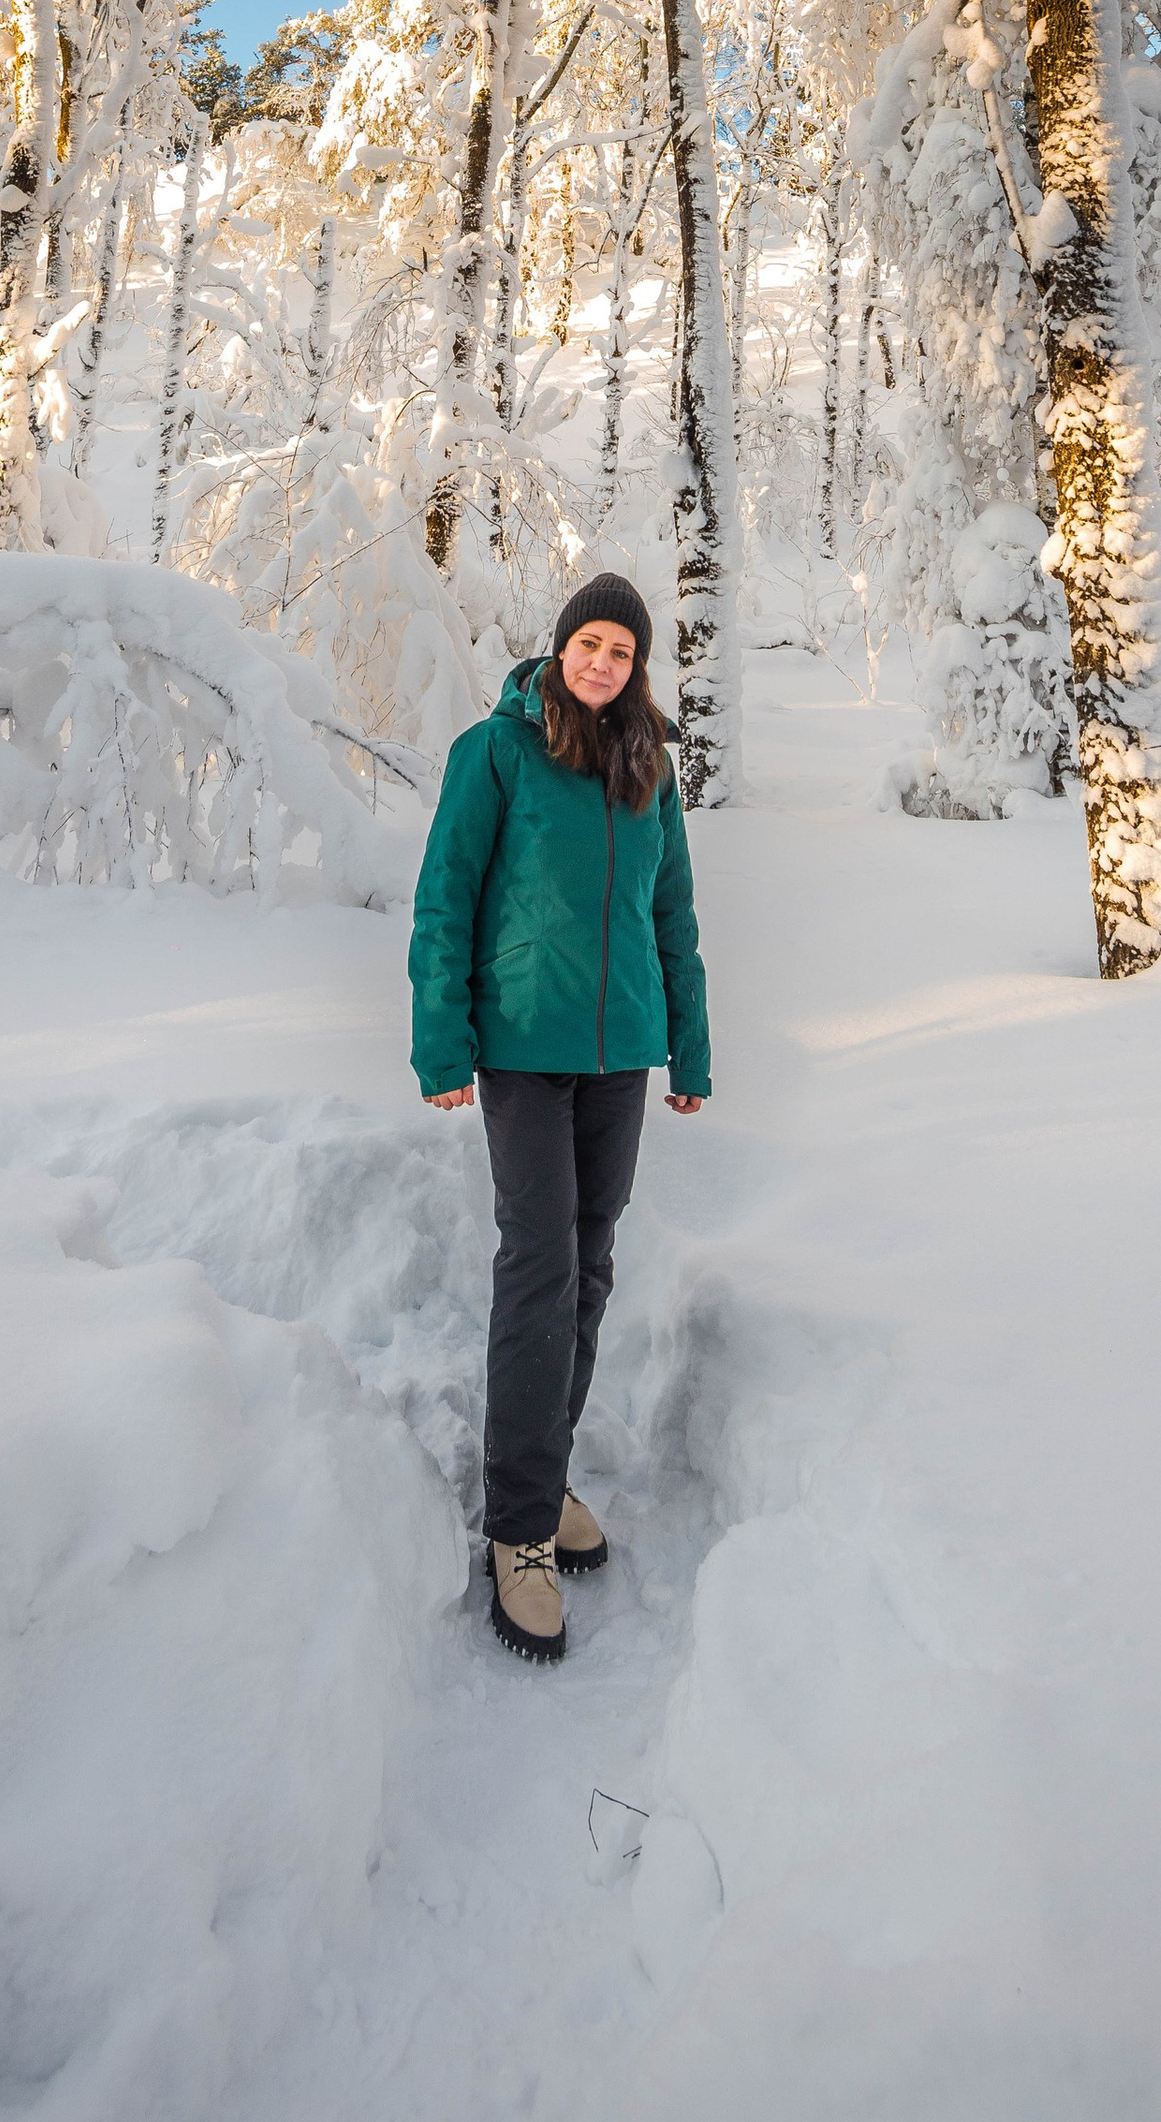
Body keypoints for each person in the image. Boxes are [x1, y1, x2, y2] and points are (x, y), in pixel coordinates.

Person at [410, 573, 712, 1664]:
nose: (601, 664)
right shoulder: (496, 751)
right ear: (559, 646)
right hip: (524, 1045)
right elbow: (446, 894)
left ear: (637, 666)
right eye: (588, 643)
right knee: (538, 1260)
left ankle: (542, 1467)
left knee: (588, 1264)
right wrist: (441, 1042)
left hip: (619, 1049)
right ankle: (518, 1528)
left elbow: (669, 909)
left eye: (621, 652)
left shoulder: (647, 763)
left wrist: (690, 1043)